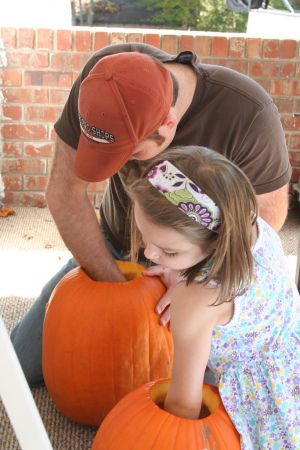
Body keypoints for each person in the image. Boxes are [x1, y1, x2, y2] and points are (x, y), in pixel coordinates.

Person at [11, 43, 291, 387]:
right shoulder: (103, 80)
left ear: (169, 123)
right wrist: (118, 288)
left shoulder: (249, 113)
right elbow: (64, 192)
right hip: (111, 250)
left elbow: (267, 223)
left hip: (199, 266)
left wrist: (199, 277)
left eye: (128, 152)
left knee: (194, 393)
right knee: (15, 368)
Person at [127, 145, 300, 449]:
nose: (149, 254)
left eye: (169, 252)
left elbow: (183, 405)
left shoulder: (196, 301)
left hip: (269, 406)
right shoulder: (253, 226)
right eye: (145, 236)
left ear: (214, 244)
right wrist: (178, 267)